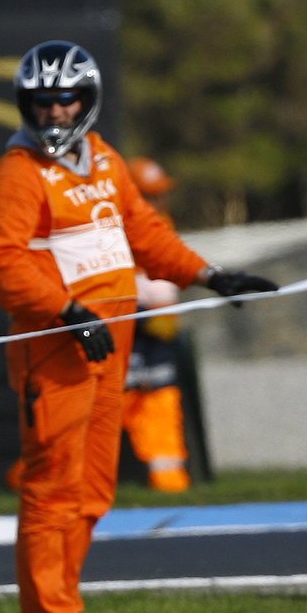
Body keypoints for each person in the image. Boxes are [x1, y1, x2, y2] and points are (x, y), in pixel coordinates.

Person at [0, 41, 277, 613]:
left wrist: (211, 276)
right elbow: (2, 265)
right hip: (57, 349)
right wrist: (65, 312)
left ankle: (68, 609)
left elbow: (145, 233)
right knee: (53, 485)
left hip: (109, 346)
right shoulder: (17, 174)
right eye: (41, 103)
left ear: (86, 102)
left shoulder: (106, 161)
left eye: (66, 101)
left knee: (94, 488)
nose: (54, 113)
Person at [121, 157, 193, 493]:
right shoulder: (103, 227)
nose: (156, 202)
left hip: (153, 334)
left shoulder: (163, 222)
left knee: (162, 398)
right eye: (148, 195)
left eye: (158, 194)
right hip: (117, 330)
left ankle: (169, 480)